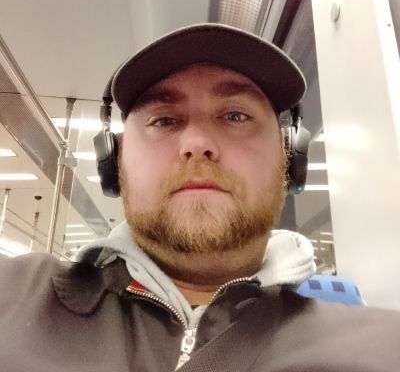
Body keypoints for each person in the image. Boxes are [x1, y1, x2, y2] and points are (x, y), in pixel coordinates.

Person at [0, 23, 399, 371]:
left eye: (235, 116)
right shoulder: (13, 298)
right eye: (164, 120)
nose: (197, 143)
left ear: (289, 157)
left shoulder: (383, 349)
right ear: (114, 161)